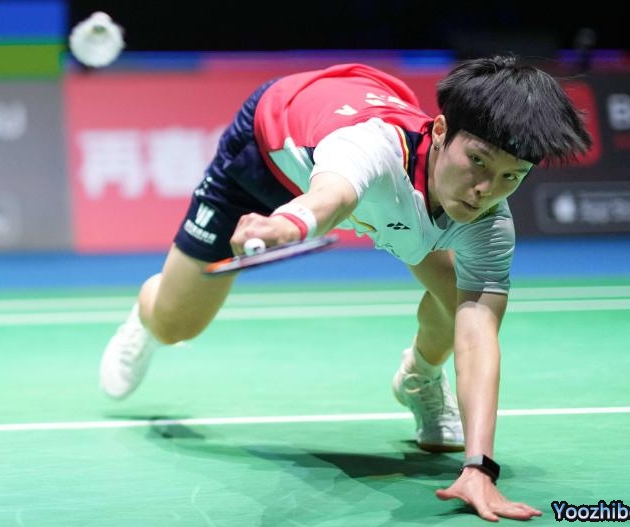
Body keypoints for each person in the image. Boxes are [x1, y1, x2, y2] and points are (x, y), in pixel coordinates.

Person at [99, 55, 591, 521]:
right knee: (176, 325)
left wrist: (479, 468)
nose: (485, 189)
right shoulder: (368, 148)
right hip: (269, 155)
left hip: (383, 185)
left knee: (458, 300)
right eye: (478, 161)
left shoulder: (489, 222)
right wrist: (286, 226)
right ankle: (148, 307)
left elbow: (478, 333)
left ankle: (419, 378)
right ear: (441, 131)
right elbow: (330, 196)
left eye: (511, 176)